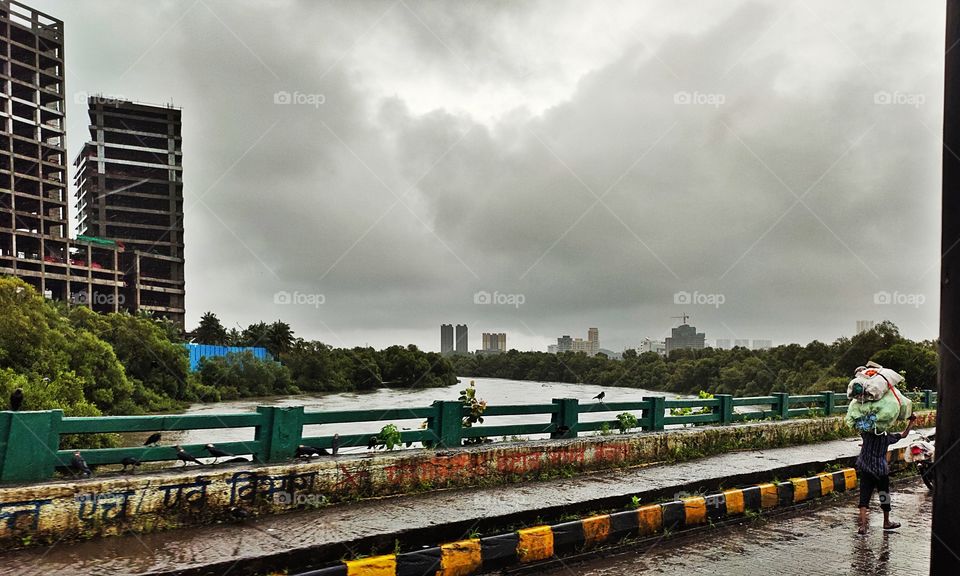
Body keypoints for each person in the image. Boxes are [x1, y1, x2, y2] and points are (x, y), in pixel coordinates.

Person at [856, 413, 917, 535]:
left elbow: (859, 425)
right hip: (881, 472)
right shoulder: (887, 438)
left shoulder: (866, 435)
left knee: (864, 498)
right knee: (884, 496)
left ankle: (862, 526)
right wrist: (911, 423)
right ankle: (886, 522)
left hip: (866, 470)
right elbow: (904, 435)